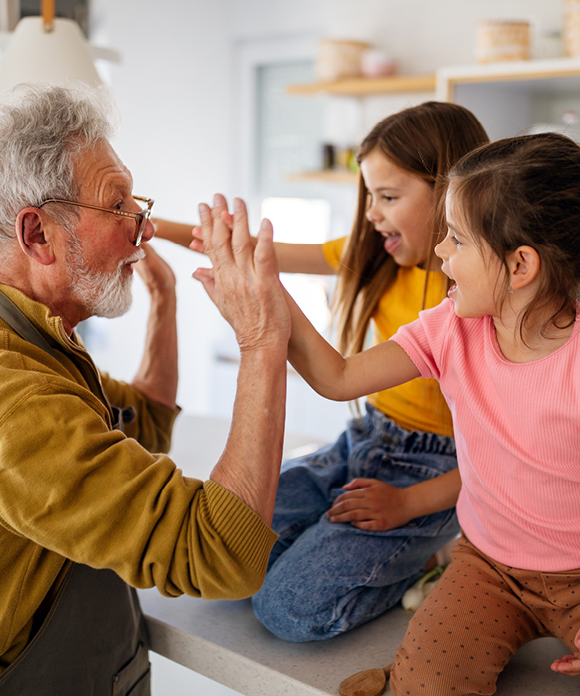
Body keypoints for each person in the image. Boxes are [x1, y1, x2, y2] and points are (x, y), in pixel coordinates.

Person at [0, 84, 290, 696]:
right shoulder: (8, 401)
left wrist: (164, 302)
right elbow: (220, 553)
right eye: (118, 204)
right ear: (38, 235)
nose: (145, 224)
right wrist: (263, 340)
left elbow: (143, 425)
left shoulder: (5, 332)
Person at [255, 131, 580, 692]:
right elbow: (337, 378)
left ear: (520, 266)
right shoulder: (448, 329)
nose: (440, 254)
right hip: (488, 569)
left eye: (456, 240)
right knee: (424, 685)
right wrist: (269, 290)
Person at [170, 102, 489, 641]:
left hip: (434, 476)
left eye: (388, 197)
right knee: (220, 558)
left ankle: (434, 553)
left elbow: (499, 459)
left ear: (455, 193)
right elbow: (250, 252)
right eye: (369, 197)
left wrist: (409, 504)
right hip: (360, 441)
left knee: (287, 609)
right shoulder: (378, 256)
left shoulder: (476, 306)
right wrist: (148, 225)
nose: (371, 214)